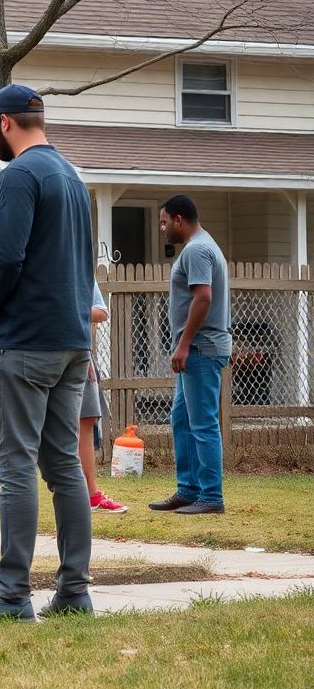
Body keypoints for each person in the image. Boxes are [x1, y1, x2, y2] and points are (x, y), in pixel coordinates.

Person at [0, 85, 96, 623]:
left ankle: (12, 594)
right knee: (64, 465)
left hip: (25, 341)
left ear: (5, 123)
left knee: (15, 466)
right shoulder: (72, 177)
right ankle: (74, 590)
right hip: (71, 341)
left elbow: (5, 257)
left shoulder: (17, 176)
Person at [150, 194, 232, 515]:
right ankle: (188, 489)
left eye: (164, 221)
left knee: (203, 424)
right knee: (182, 420)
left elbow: (203, 299)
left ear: (179, 220)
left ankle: (211, 496)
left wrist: (183, 344)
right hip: (197, 349)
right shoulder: (202, 245)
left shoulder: (197, 249)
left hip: (200, 349)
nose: (162, 228)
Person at [80, 282, 127, 513]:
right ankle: (72, 492)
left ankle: (91, 494)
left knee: (87, 421)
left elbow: (101, 311)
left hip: (80, 357)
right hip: (43, 359)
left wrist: (69, 310)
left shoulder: (81, 270)